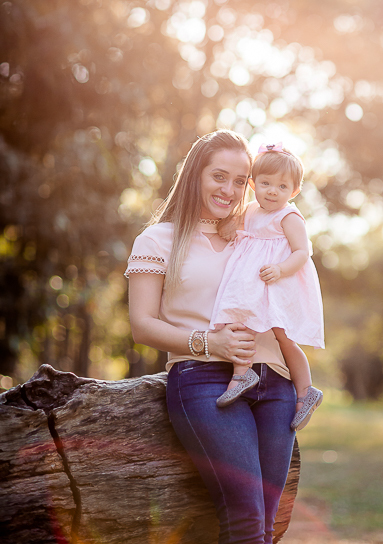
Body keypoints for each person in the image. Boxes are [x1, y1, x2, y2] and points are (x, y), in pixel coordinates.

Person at [126, 129, 297, 544]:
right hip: (203, 380)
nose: (230, 189)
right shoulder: (158, 239)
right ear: (195, 175)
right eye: (219, 176)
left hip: (273, 381)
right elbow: (142, 324)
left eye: (240, 181)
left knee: (269, 524)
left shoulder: (253, 236)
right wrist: (209, 342)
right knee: (246, 519)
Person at [210, 143, 324, 431]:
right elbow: (232, 229)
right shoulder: (249, 210)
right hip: (249, 284)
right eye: (266, 183)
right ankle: (241, 374)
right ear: (252, 184)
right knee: (239, 322)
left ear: (294, 191)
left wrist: (280, 269)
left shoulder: (288, 216)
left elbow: (302, 252)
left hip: (273, 282)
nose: (273, 191)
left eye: (282, 186)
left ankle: (306, 389)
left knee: (283, 337)